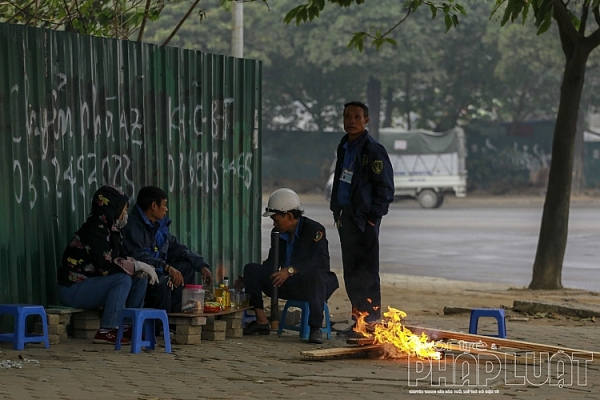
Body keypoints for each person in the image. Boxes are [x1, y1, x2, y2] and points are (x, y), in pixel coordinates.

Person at [57, 185, 158, 344]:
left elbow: (120, 258)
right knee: (122, 279)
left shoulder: (112, 230)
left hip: (93, 285)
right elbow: (105, 268)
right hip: (74, 288)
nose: (125, 214)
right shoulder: (94, 230)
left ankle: (129, 327)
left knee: (140, 279)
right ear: (112, 208)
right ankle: (107, 329)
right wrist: (136, 266)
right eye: (122, 209)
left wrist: (139, 268)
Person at [237, 188, 339, 344]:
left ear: (290, 216)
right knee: (251, 269)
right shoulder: (277, 233)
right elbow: (272, 263)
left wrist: (291, 271)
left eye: (276, 220)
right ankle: (261, 321)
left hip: (311, 286)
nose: (274, 223)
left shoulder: (314, 230)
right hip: (286, 285)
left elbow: (320, 261)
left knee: (316, 275)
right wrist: (251, 279)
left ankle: (315, 328)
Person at [330, 101, 394, 336]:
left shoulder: (373, 150)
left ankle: (371, 323)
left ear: (366, 121)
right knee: (352, 273)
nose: (352, 122)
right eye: (348, 117)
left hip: (364, 221)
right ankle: (358, 320)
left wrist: (372, 218)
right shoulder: (344, 146)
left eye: (357, 117)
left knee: (366, 272)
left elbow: (385, 188)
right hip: (346, 219)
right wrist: (336, 211)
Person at [122, 186, 213, 314]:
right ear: (154, 205)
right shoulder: (132, 227)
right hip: (142, 278)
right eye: (164, 205)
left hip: (160, 271)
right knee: (164, 280)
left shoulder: (159, 227)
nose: (166, 209)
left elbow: (179, 249)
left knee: (186, 268)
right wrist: (166, 267)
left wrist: (202, 265)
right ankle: (159, 326)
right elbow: (138, 256)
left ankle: (177, 317)